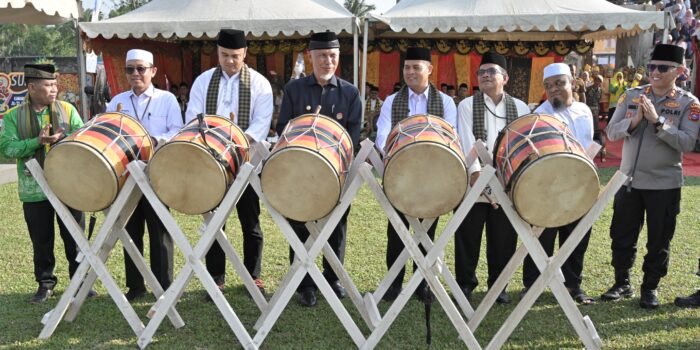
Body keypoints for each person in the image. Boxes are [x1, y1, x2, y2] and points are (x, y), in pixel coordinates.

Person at [603, 44, 700, 309]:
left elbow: (687, 143)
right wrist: (633, 123)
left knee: (659, 239)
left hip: (664, 185)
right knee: (621, 234)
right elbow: (611, 132)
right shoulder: (632, 95)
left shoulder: (688, 103)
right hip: (629, 181)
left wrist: (658, 122)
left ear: (679, 71)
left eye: (662, 68)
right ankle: (621, 282)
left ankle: (650, 287)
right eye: (652, 67)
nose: (655, 72)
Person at [276, 31, 361, 307]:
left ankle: (332, 277)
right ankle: (304, 283)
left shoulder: (350, 92)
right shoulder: (294, 90)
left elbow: (354, 134)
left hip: (337, 172)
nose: (328, 61)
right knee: (300, 222)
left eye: (333, 56)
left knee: (336, 225)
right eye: (322, 55)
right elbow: (283, 128)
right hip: (300, 172)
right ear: (311, 57)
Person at [186, 29, 273, 297]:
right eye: (225, 55)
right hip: (212, 163)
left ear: (245, 53)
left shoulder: (259, 84)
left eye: (235, 56)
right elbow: (193, 116)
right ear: (218, 53)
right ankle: (216, 277)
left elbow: (261, 124)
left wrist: (234, 145)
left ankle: (253, 276)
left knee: (251, 221)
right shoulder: (203, 81)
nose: (230, 61)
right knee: (214, 221)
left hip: (246, 162)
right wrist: (215, 147)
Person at [0, 64, 89, 303]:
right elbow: (7, 147)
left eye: (54, 84)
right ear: (31, 87)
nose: (54, 89)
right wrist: (36, 142)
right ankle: (45, 283)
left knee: (75, 237)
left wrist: (65, 139)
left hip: (67, 186)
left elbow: (83, 139)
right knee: (41, 240)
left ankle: (80, 282)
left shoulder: (67, 110)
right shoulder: (12, 116)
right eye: (48, 85)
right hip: (34, 189)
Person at [375, 47, 457, 302]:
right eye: (407, 67)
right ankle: (393, 282)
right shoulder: (392, 101)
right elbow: (382, 136)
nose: (410, 72)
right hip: (400, 173)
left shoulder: (445, 101)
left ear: (429, 70)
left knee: (428, 229)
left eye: (416, 67)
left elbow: (450, 134)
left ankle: (424, 282)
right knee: (397, 229)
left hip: (432, 174)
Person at [106, 49, 182, 301]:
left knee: (159, 230)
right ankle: (136, 286)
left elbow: (177, 132)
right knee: (131, 230)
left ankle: (164, 286)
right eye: (130, 69)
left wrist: (154, 140)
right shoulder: (117, 101)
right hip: (127, 175)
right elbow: (107, 133)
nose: (135, 74)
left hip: (157, 171)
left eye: (140, 68)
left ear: (153, 71)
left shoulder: (167, 99)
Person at [454, 52, 530, 303]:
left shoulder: (520, 107)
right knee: (468, 236)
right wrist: (476, 176)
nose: (485, 75)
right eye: (481, 72)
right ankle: (465, 284)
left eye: (491, 71)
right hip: (474, 182)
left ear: (505, 78)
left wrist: (505, 184)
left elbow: (521, 147)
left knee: (503, 238)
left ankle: (499, 286)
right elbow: (467, 141)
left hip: (506, 184)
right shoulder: (466, 105)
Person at [521, 63, 597, 304]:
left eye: (559, 83)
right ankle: (532, 285)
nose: (553, 89)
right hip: (548, 187)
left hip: (581, 184)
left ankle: (573, 285)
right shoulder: (539, 115)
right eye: (548, 86)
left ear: (572, 83)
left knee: (576, 236)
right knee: (542, 236)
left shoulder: (585, 110)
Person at [586, 75, 606, 160]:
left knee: (596, 128)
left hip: (596, 111)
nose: (598, 82)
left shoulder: (600, 90)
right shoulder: (588, 89)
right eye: (597, 80)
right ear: (594, 80)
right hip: (588, 109)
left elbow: (599, 101)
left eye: (600, 81)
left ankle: (596, 148)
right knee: (588, 127)